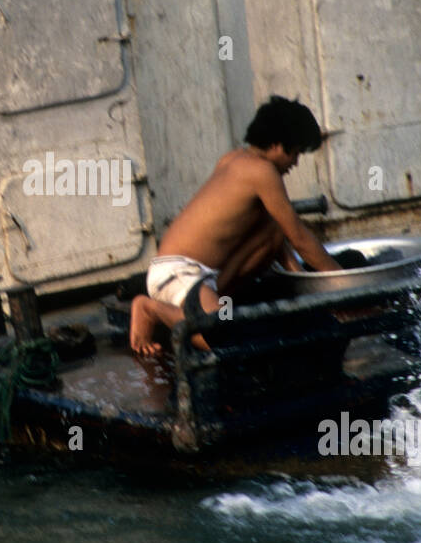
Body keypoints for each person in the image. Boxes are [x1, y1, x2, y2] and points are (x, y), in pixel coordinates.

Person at [129, 95, 341, 356]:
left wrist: (304, 284)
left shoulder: (233, 158)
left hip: (210, 276)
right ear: (278, 144)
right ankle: (151, 309)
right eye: (295, 153)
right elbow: (300, 239)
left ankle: (191, 313)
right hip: (178, 274)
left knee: (276, 227)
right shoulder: (262, 172)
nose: (295, 163)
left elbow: (282, 235)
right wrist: (342, 285)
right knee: (227, 339)